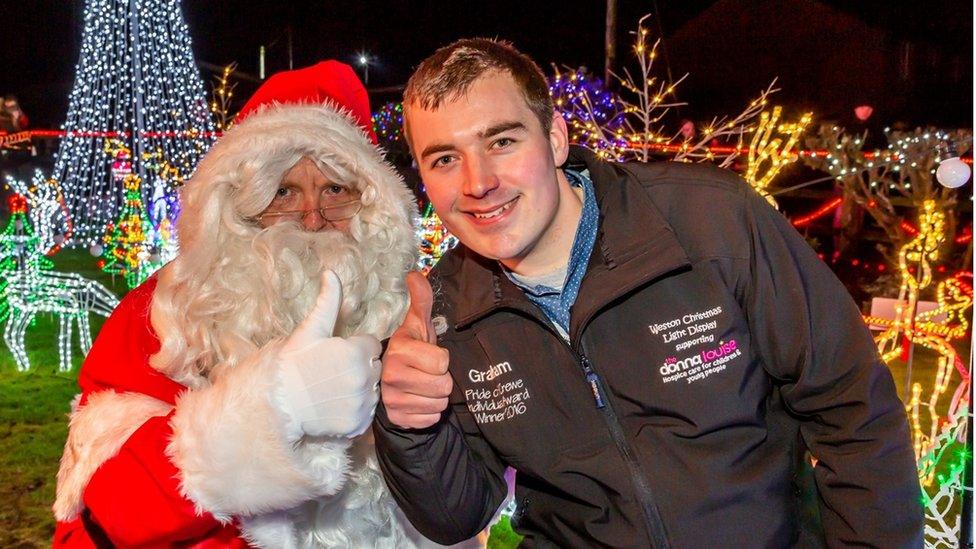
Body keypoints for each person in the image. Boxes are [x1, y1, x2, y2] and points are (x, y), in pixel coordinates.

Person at [374, 38, 924, 547]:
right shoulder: (443, 312)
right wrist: (408, 425)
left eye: (502, 141)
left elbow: (853, 412)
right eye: (444, 159)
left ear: (557, 138)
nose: (477, 182)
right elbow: (455, 515)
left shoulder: (708, 224)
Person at [53, 60, 433, 547]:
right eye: (283, 192)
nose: (312, 218)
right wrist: (259, 420)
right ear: (240, 204)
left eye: (335, 189)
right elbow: (93, 528)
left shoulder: (408, 305)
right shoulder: (165, 312)